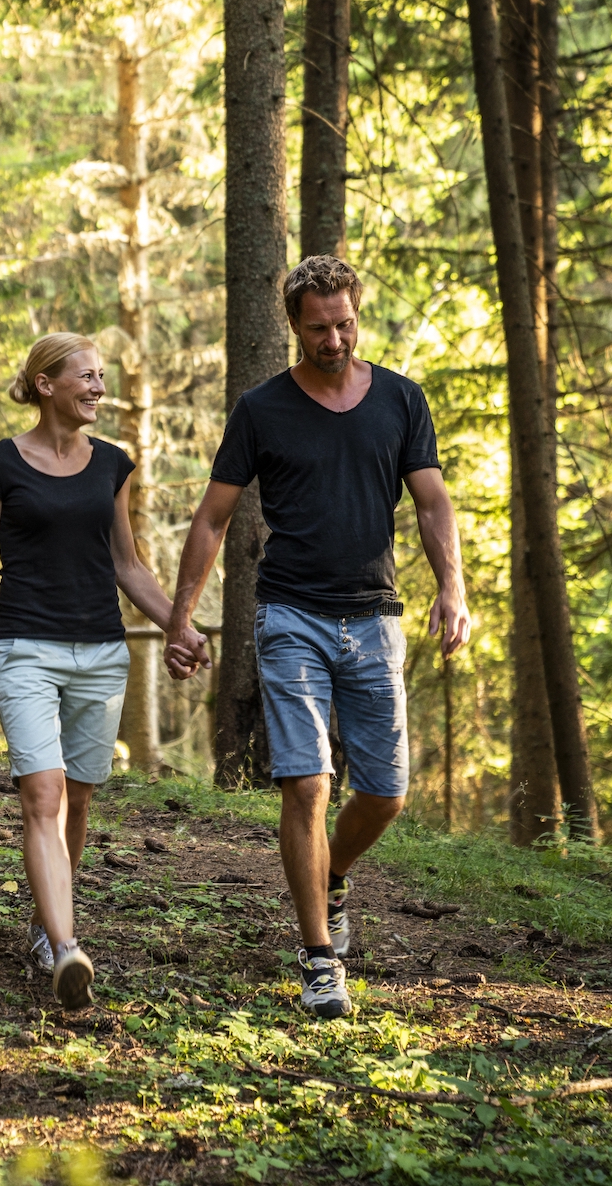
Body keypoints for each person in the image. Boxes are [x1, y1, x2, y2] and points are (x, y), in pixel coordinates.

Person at [162, 255, 472, 1019]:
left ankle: (330, 875)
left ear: (356, 315)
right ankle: (320, 958)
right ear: (294, 326)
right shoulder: (262, 409)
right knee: (306, 782)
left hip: (376, 617)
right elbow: (212, 517)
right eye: (318, 327)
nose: (333, 338)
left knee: (386, 793)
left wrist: (452, 588)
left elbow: (433, 504)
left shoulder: (401, 399)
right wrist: (182, 615)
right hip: (290, 613)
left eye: (344, 323)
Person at [0, 332, 203, 1010]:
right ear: (45, 385)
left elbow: (127, 566)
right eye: (86, 376)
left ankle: (43, 921)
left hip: (100, 650)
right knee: (44, 792)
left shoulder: (112, 466)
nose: (97, 387)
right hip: (25, 647)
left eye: (101, 377)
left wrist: (178, 624)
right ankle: (66, 948)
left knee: (80, 798)